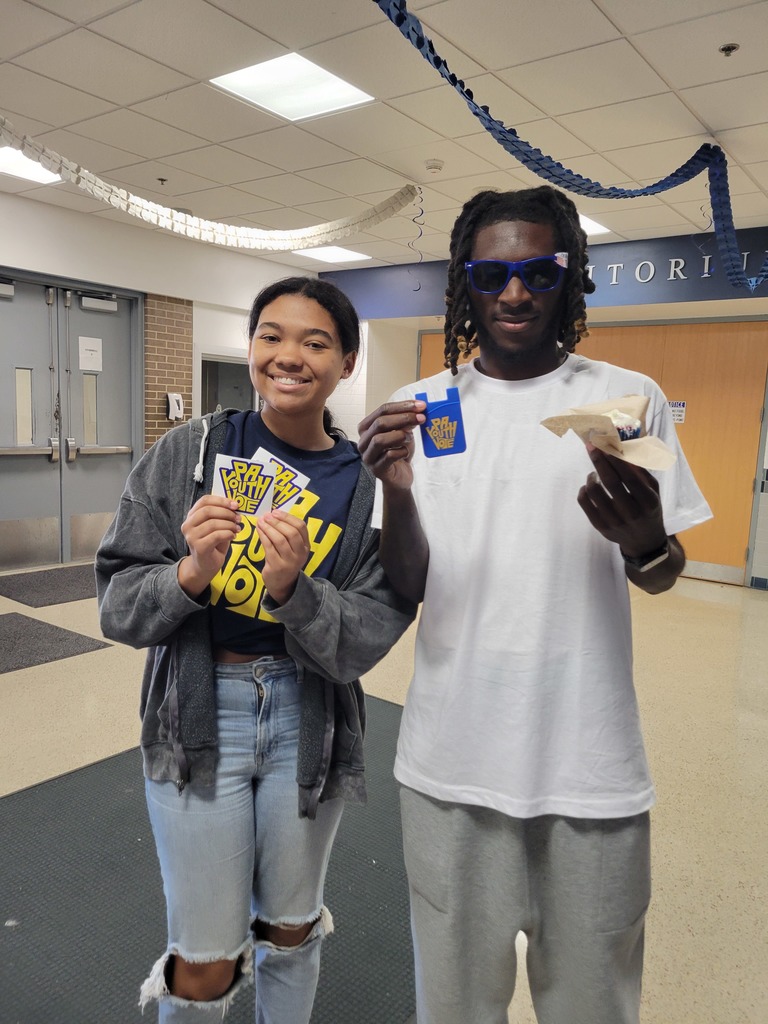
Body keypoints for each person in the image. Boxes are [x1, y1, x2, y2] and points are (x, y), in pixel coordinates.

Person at [357, 186, 712, 1024]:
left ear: (571, 277)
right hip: (452, 766)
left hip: (589, 770)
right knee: (451, 1006)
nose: (514, 292)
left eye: (537, 270)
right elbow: (408, 585)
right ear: (464, 284)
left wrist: (645, 541)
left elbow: (662, 574)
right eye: (491, 273)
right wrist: (397, 492)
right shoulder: (425, 407)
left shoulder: (628, 400)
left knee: (594, 1006)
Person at [95, 276, 416, 1024]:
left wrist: (292, 589)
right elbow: (116, 604)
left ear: (347, 360)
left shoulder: (366, 484)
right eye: (271, 335)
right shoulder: (192, 452)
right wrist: (189, 571)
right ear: (250, 348)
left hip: (310, 723)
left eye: (315, 341)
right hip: (200, 720)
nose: (289, 356)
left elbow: (367, 635)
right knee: (204, 963)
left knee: (292, 931)